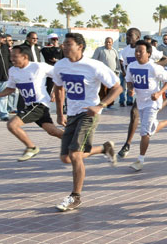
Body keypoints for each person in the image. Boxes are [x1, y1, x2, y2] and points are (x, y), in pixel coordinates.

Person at [52, 32, 122, 212]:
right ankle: (103, 148)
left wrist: (101, 105)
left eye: (68, 44)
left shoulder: (94, 66)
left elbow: (117, 87)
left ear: (80, 47)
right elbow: (59, 89)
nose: (64, 47)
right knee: (66, 158)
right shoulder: (60, 65)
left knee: (75, 155)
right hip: (73, 114)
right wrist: (60, 114)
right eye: (64, 44)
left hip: (89, 114)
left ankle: (75, 196)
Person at [0, 45, 64, 161]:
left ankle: (31, 147)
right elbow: (10, 89)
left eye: (15, 56)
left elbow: (60, 76)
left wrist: (55, 91)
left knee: (12, 125)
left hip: (39, 104)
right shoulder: (13, 71)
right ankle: (75, 141)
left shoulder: (38, 67)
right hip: (29, 105)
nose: (12, 59)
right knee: (52, 131)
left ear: (25, 57)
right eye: (11, 56)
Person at [124, 40, 167, 171]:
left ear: (149, 54)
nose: (138, 54)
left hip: (152, 103)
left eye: (141, 51)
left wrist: (159, 92)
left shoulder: (154, 67)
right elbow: (129, 81)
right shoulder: (131, 66)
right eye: (136, 51)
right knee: (150, 129)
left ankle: (140, 160)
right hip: (140, 102)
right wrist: (130, 89)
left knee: (144, 132)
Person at [117, 28, 167, 159]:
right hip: (138, 92)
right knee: (144, 122)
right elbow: (125, 70)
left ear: (138, 37)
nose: (128, 38)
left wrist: (151, 67)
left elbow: (166, 59)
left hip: (150, 93)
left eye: (130, 36)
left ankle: (129, 146)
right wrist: (130, 85)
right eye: (126, 36)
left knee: (138, 119)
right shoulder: (124, 52)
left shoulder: (148, 51)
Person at [92, 37, 121, 108]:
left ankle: (110, 104)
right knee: (103, 91)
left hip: (112, 74)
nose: (108, 43)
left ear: (112, 43)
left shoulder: (114, 51)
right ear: (104, 42)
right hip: (102, 74)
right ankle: (103, 105)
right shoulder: (99, 50)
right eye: (106, 42)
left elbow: (117, 62)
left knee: (112, 90)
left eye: (109, 42)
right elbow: (94, 60)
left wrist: (117, 72)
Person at [41, 33, 63, 100]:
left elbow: (62, 57)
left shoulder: (60, 48)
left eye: (56, 39)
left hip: (58, 69)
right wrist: (56, 48)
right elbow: (51, 57)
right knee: (49, 86)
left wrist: (57, 60)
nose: (55, 41)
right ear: (49, 40)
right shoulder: (46, 48)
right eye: (53, 39)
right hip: (49, 70)